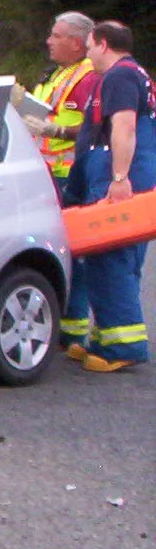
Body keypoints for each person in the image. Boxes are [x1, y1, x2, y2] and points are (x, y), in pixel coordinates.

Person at [65, 20, 156, 372]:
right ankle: (106, 338)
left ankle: (123, 346)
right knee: (116, 260)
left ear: (103, 44)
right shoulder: (136, 75)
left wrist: (119, 177)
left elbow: (124, 125)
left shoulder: (120, 76)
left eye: (89, 47)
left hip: (120, 175)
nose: (87, 55)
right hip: (124, 171)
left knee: (111, 259)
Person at [25, 12, 99, 344]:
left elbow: (98, 124)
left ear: (76, 42)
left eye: (56, 36)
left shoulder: (88, 77)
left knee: (72, 253)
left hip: (69, 175)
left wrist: (55, 130)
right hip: (48, 173)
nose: (49, 41)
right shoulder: (57, 73)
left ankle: (72, 329)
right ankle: (67, 327)